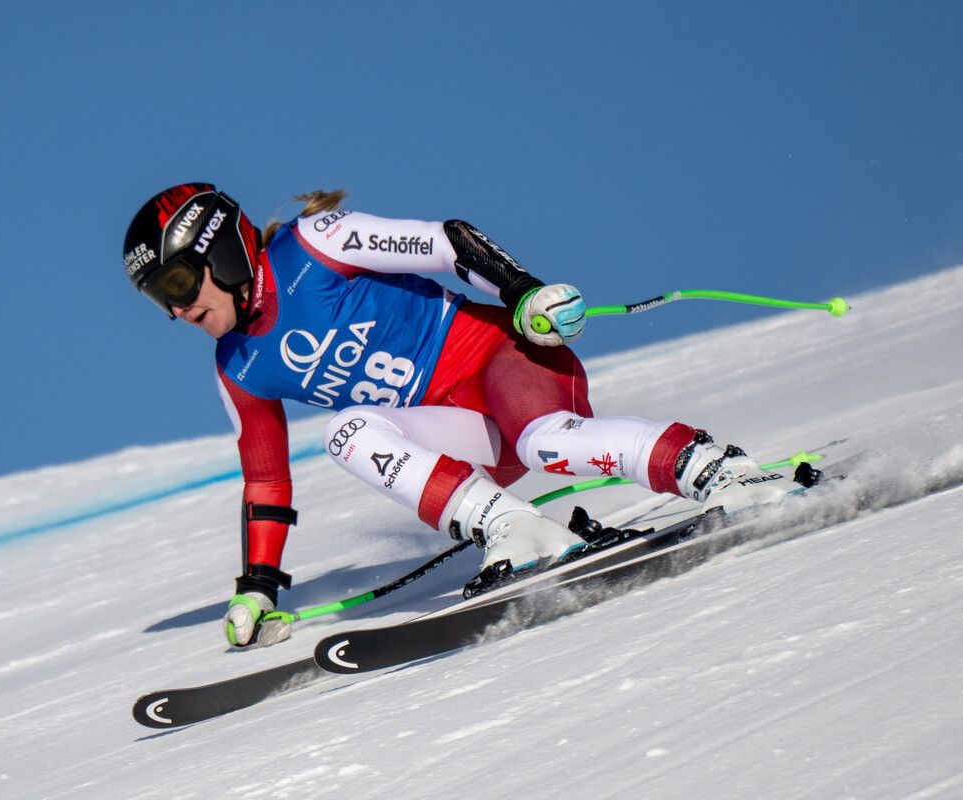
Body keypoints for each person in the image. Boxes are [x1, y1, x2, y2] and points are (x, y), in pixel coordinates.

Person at [123, 183, 815, 648]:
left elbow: (447, 243)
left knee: (545, 442)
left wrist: (524, 293)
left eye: (178, 282)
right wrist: (258, 589)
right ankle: (516, 530)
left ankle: (720, 472)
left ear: (221, 249)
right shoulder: (238, 365)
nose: (178, 309)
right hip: (462, 431)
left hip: (503, 361)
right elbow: (267, 482)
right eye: (160, 299)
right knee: (346, 431)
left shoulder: (314, 244)